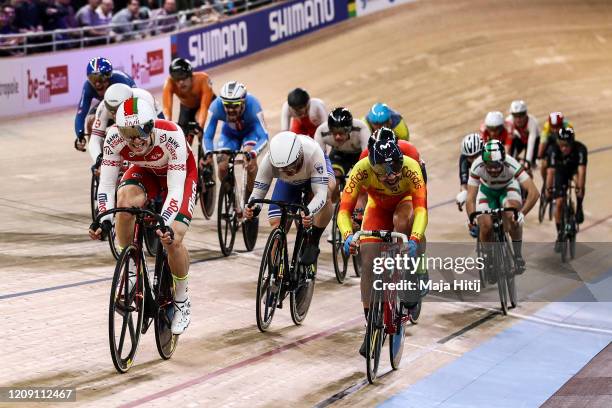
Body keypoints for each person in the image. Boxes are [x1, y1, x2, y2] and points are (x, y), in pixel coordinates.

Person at [88, 97, 197, 335]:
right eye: (129, 133)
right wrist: (104, 220)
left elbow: (176, 189)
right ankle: (131, 269)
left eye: (141, 132)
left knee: (173, 239)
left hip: (179, 176)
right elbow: (106, 185)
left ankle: (181, 301)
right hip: (146, 171)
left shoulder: (172, 134)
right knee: (125, 201)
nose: (135, 140)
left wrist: (166, 224)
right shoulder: (114, 138)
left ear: (152, 125)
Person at [338, 130, 427, 357]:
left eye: (395, 168)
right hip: (377, 207)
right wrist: (348, 236)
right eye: (383, 171)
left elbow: (421, 210)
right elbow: (344, 211)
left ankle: (411, 273)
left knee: (403, 222)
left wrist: (415, 239)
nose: (391, 175)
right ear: (372, 165)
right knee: (368, 262)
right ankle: (371, 325)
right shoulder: (361, 168)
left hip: (403, 204)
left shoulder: (410, 163)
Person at [244, 131, 335, 267]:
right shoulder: (269, 161)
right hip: (288, 184)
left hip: (314, 176)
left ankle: (313, 241)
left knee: (328, 191)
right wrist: (252, 208)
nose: (288, 171)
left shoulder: (313, 153)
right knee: (276, 223)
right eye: (283, 168)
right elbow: (257, 194)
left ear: (299, 156)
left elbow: (320, 194)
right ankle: (274, 276)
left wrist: (309, 211)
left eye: (291, 166)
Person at [466, 140, 539, 277]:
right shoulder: (477, 165)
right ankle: (489, 258)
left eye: (496, 166)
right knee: (486, 226)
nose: (493, 170)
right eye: (490, 166)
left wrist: (522, 213)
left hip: (507, 188)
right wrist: (472, 217)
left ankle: (517, 255)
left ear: (503, 161)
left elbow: (534, 192)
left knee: (512, 216)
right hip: (487, 191)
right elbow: (470, 198)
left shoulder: (511, 163)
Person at [202, 81, 268, 199]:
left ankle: (250, 201)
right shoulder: (216, 106)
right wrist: (208, 152)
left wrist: (253, 153)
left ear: (243, 102)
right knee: (222, 166)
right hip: (229, 135)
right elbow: (207, 135)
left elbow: (264, 137)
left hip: (250, 134)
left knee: (250, 163)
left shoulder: (253, 106)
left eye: (235, 105)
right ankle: (233, 199)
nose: (230, 109)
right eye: (226, 105)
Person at [89, 83, 163, 165]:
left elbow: (154, 132)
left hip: (144, 115)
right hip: (126, 119)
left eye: (118, 109)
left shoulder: (144, 100)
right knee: (91, 122)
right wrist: (98, 160)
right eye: (112, 110)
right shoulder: (104, 106)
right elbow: (95, 139)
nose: (115, 115)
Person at [74, 57, 135, 152]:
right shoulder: (88, 86)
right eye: (93, 79)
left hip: (126, 100)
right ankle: (98, 156)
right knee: (91, 121)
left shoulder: (119, 80)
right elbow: (81, 113)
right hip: (107, 102)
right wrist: (80, 134)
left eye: (100, 79)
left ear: (109, 77)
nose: (97, 84)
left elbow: (134, 105)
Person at [313, 107, 369, 201]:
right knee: (333, 179)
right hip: (339, 154)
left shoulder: (361, 128)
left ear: (350, 129)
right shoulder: (322, 131)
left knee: (363, 181)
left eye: (342, 133)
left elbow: (367, 156)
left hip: (360, 154)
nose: (337, 137)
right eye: (334, 133)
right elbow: (319, 160)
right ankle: (333, 207)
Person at [545, 127, 587, 250]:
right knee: (558, 203)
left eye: (566, 145)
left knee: (579, 186)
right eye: (561, 145)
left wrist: (580, 188)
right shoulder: (553, 149)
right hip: (561, 171)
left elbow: (582, 172)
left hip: (574, 170)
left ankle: (579, 207)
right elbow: (551, 172)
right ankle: (559, 235)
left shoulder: (580, 149)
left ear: (572, 143)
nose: (563, 148)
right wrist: (548, 190)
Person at [162, 57, 215, 144]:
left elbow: (204, 107)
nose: (181, 82)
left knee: (201, 128)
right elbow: (166, 109)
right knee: (183, 140)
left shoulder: (203, 79)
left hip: (207, 104)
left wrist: (200, 127)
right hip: (187, 107)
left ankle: (206, 154)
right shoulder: (169, 83)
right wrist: (166, 126)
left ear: (191, 75)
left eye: (183, 78)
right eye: (177, 80)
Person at [538, 112, 573, 182]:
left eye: (557, 127)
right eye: (553, 127)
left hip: (564, 142)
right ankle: (545, 182)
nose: (555, 130)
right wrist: (539, 156)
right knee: (543, 165)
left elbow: (571, 144)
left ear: (562, 124)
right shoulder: (547, 126)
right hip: (551, 143)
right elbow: (543, 142)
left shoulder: (568, 126)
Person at [505, 100, 539, 170]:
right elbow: (507, 143)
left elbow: (531, 143)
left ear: (526, 114)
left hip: (534, 141)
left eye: (521, 115)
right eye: (515, 116)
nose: (518, 119)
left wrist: (528, 162)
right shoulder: (509, 121)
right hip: (520, 140)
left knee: (530, 164)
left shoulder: (532, 122)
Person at [456, 132, 483, 212]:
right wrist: (464, 193)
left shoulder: (488, 154)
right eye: (471, 157)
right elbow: (463, 183)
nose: (474, 160)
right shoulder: (464, 159)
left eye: (477, 155)